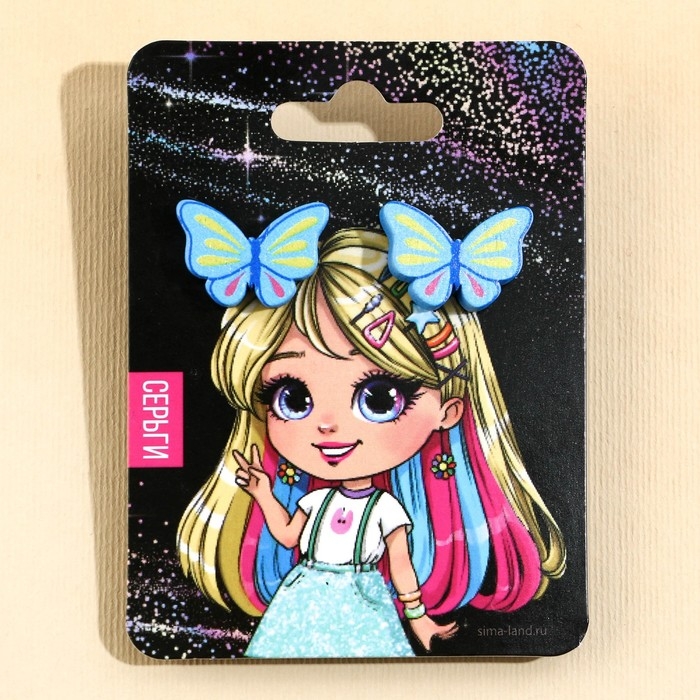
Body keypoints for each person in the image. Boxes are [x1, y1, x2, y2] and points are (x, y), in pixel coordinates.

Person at [176, 224, 566, 658]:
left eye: (379, 398)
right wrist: (263, 493)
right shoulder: (315, 501)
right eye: (293, 398)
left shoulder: (385, 510)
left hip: (363, 603)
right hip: (302, 598)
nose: (327, 425)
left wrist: (417, 616)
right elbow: (287, 536)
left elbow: (400, 564)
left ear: (448, 411)